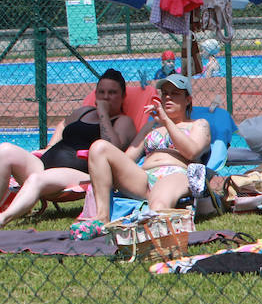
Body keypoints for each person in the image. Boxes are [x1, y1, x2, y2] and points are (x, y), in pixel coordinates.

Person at [0, 69, 139, 225]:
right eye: (101, 92)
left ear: (123, 96)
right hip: (44, 165)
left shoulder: (123, 121)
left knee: (36, 179)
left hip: (80, 174)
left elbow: (112, 147)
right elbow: (63, 125)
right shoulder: (83, 112)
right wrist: (50, 146)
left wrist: (103, 114)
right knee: (4, 150)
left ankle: (3, 219)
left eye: (112, 92)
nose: (106, 97)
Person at [85, 74, 211, 225]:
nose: (168, 98)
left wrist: (166, 121)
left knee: (157, 206)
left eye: (175, 94)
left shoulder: (198, 124)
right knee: (99, 147)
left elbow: (192, 152)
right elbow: (128, 158)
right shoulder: (151, 126)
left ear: (188, 100)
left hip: (175, 174)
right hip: (143, 179)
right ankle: (102, 218)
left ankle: (155, 234)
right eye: (165, 94)